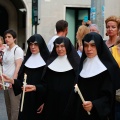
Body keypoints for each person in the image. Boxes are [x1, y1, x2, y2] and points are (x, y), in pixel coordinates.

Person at [20, 36, 80, 120]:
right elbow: (46, 85)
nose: (59, 49)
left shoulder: (76, 64)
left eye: (62, 46)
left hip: (68, 103)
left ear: (68, 47)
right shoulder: (50, 64)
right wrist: (41, 98)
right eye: (57, 46)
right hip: (52, 104)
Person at [64, 32, 120, 120]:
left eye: (93, 45)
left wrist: (94, 105)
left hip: (98, 114)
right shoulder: (82, 64)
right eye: (86, 45)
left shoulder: (107, 68)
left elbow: (109, 96)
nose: (89, 49)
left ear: (99, 45)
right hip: (80, 112)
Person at [2, 34, 50, 120]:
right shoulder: (27, 61)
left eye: (35, 44)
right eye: (31, 44)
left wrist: (45, 102)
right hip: (26, 100)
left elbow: (50, 85)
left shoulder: (47, 63)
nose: (33, 47)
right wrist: (12, 81)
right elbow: (21, 82)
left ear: (41, 45)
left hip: (40, 101)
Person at [2, 29, 24, 120]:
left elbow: (18, 67)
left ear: (14, 38)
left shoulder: (17, 50)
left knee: (15, 109)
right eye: (5, 37)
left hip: (13, 83)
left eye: (9, 37)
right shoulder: (6, 50)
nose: (7, 39)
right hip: (5, 83)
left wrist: (13, 81)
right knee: (8, 108)